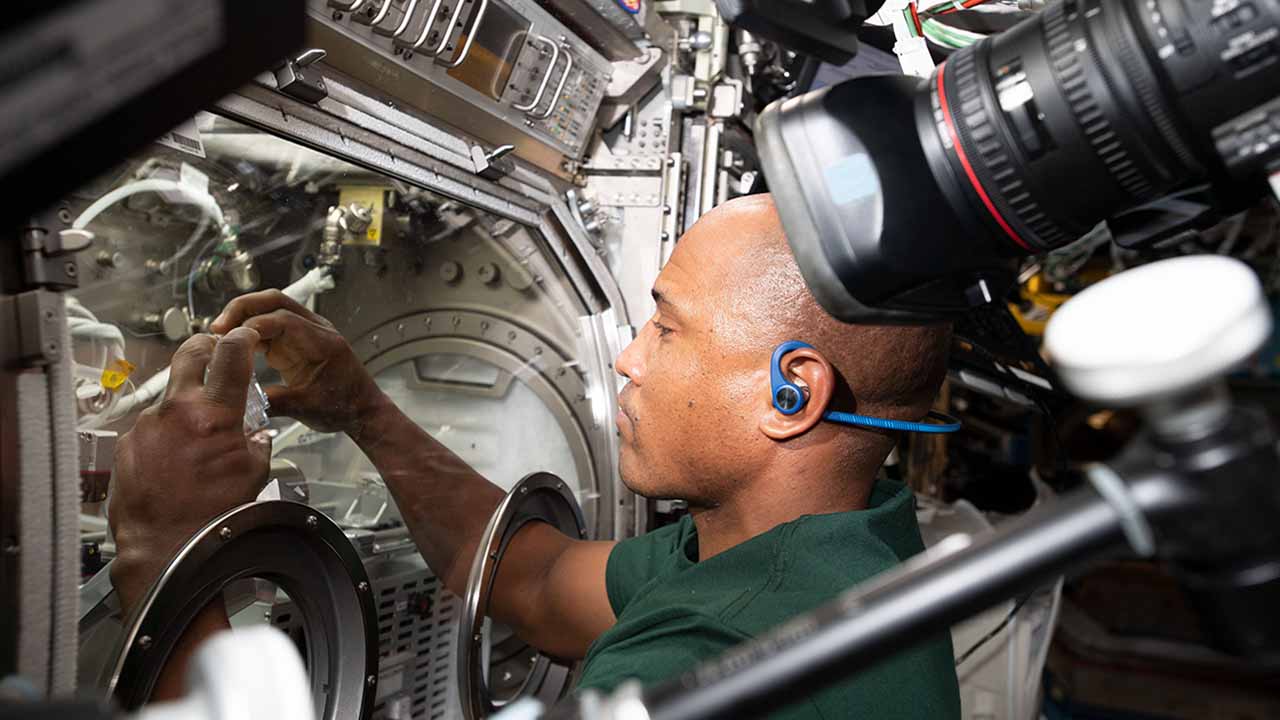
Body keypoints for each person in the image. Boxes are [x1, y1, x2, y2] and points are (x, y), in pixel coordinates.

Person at [109, 194, 961, 717]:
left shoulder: (707, 661)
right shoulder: (826, 542)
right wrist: (362, 409)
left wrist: (164, 552)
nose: (631, 357)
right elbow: (538, 585)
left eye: (667, 328)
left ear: (793, 393)